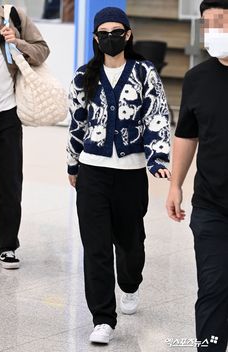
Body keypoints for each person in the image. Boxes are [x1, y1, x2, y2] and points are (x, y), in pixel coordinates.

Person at [67, 7, 170, 345]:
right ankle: (102, 318)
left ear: (127, 34)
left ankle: (130, 283)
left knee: (129, 243)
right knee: (95, 247)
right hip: (93, 172)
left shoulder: (144, 72)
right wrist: (72, 164)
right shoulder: (84, 76)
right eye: (103, 33)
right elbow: (76, 124)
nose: (109, 38)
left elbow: (157, 114)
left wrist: (158, 157)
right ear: (96, 38)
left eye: (116, 31)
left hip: (131, 173)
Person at [166, 0, 228, 351]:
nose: (212, 31)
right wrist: (175, 184)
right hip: (211, 207)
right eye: (207, 24)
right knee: (213, 291)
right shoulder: (197, 79)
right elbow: (187, 133)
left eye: (220, 21)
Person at [0, 0, 49, 269]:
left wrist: (17, 42)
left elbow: (42, 51)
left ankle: (6, 246)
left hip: (6, 113)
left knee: (11, 184)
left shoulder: (12, 15)